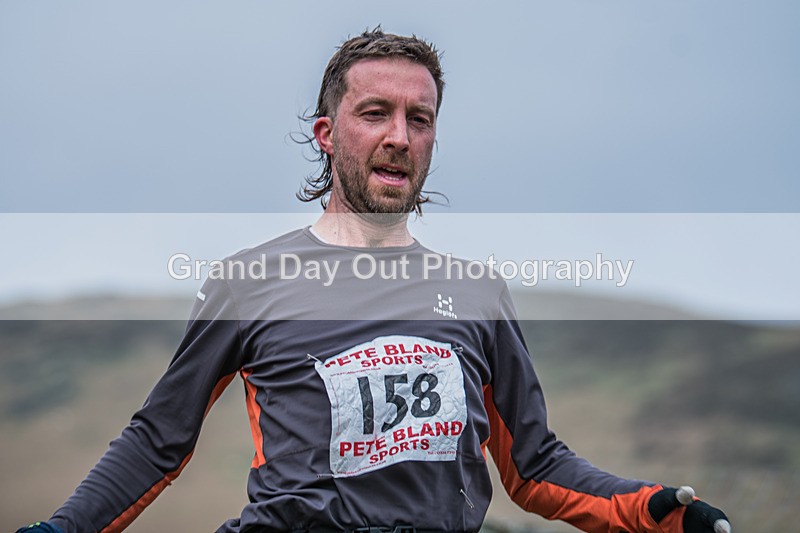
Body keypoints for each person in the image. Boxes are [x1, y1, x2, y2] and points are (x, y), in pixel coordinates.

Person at [18, 28, 731, 533]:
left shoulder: (477, 294)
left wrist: (650, 509)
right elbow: (158, 440)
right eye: (375, 114)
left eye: (419, 119)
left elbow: (535, 466)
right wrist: (60, 528)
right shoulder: (250, 282)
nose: (399, 136)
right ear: (327, 134)